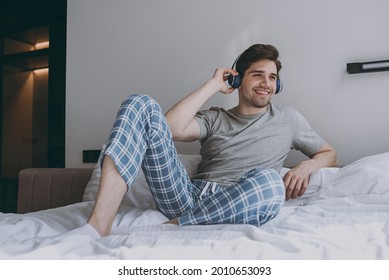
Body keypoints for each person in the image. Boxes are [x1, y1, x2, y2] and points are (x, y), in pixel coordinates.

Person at [76, 44, 337, 238]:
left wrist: (307, 166)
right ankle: (98, 226)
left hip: (241, 199)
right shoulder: (215, 117)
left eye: (272, 78)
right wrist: (213, 84)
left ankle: (174, 227)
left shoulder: (289, 119)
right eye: (258, 74)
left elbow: (328, 153)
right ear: (237, 78)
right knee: (138, 103)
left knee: (271, 184)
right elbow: (169, 129)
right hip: (188, 195)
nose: (266, 83)